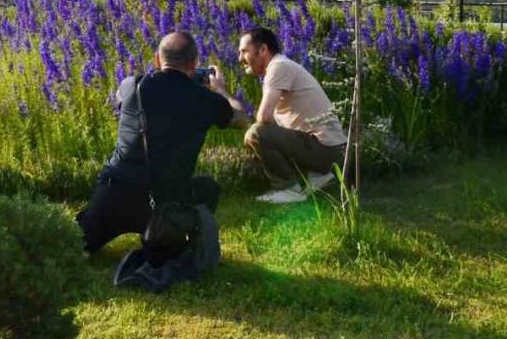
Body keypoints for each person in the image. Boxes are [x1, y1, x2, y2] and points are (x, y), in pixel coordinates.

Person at [77, 32, 249, 257]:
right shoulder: (205, 100)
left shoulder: (133, 85)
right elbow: (241, 118)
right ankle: (170, 236)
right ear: (195, 62)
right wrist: (220, 90)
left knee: (77, 246)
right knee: (208, 189)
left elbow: (120, 99)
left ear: (157, 59)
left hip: (114, 192)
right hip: (164, 202)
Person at [237, 26, 347, 203]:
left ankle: (288, 189)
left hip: (327, 152)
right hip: (329, 149)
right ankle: (318, 175)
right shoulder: (281, 65)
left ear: (263, 50)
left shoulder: (278, 67)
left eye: (244, 51)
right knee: (261, 132)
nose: (240, 58)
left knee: (256, 134)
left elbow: (263, 118)